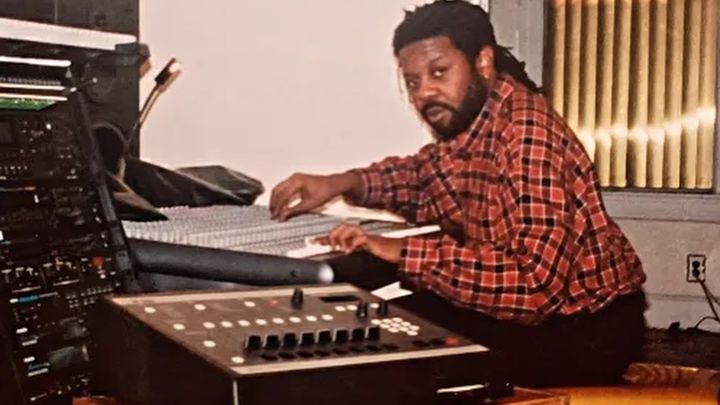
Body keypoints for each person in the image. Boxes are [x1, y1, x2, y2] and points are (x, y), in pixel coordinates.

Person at [270, 0, 646, 387]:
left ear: (482, 61)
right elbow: (422, 179)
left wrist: (401, 251)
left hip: (583, 332)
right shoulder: (474, 122)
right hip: (536, 317)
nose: (425, 93)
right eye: (413, 82)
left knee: (383, 360)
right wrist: (343, 182)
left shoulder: (527, 137)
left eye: (439, 72)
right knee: (369, 325)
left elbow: (533, 288)